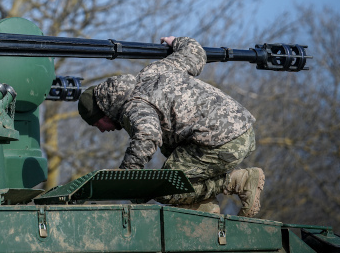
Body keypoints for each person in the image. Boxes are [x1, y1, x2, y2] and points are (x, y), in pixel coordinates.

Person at [77, 36, 264, 217]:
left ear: (103, 111)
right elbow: (195, 54)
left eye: (96, 124)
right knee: (171, 153)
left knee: (163, 188)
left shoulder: (133, 104)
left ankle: (236, 182)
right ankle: (202, 205)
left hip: (222, 143)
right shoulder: (155, 70)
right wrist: (176, 41)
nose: (102, 130)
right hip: (244, 129)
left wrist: (128, 174)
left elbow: (147, 135)